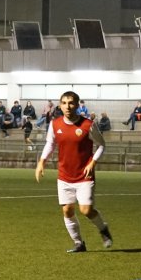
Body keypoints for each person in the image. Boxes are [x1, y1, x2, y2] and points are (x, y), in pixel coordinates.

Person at [36, 91, 113, 253]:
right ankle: (79, 243)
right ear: (60, 105)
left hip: (84, 176)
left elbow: (102, 145)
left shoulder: (88, 124)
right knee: (67, 209)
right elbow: (50, 144)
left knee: (85, 210)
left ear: (77, 105)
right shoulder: (55, 124)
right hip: (64, 175)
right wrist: (41, 162)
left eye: (71, 103)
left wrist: (93, 162)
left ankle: (103, 229)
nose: (67, 106)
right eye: (64, 103)